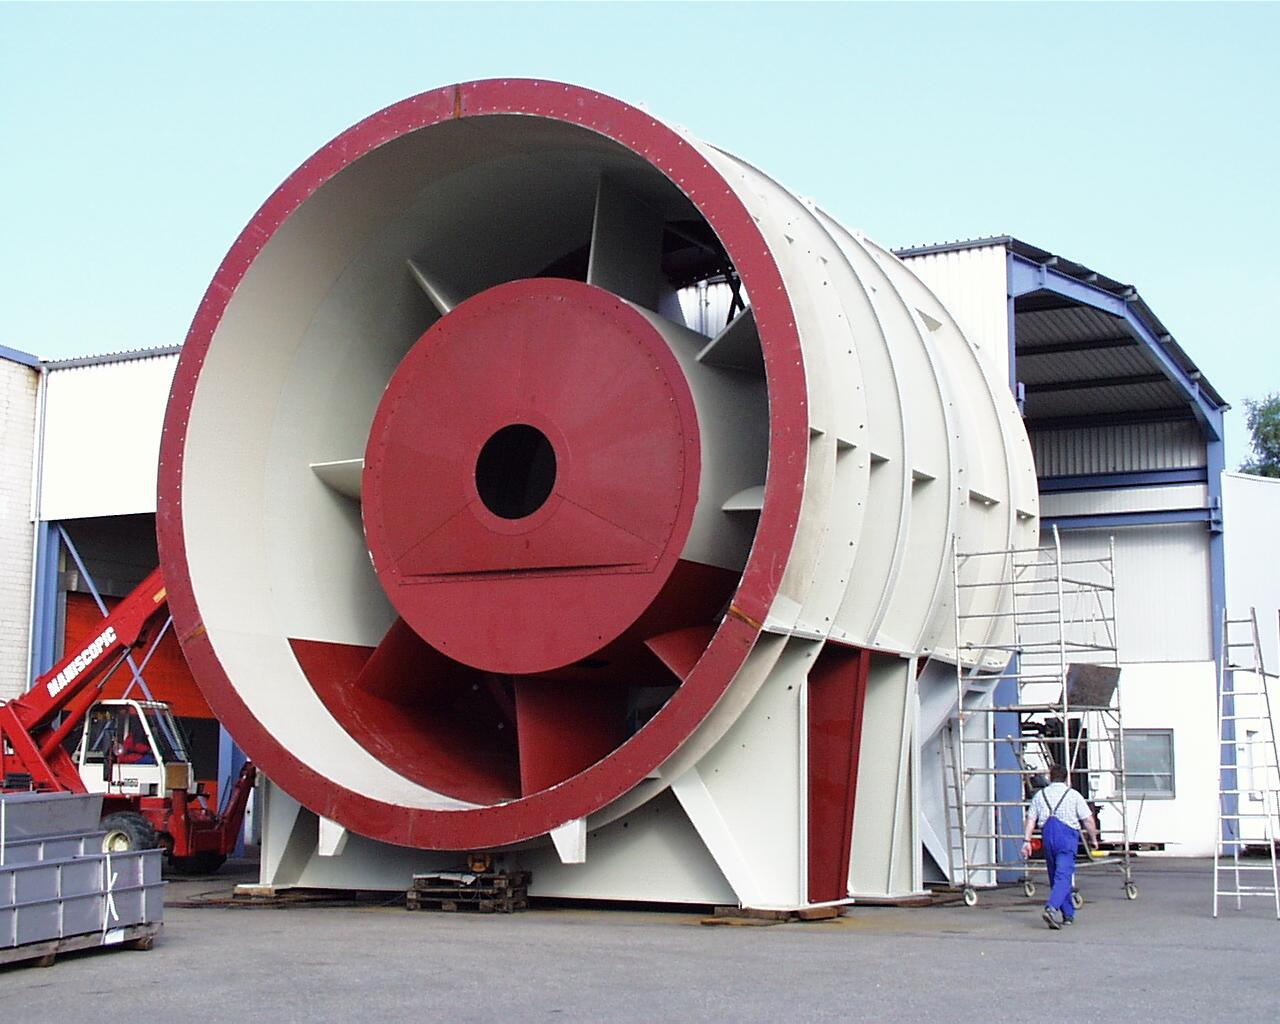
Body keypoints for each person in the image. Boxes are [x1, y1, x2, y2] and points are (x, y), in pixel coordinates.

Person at [1020, 763, 1099, 929]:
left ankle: (1068, 913)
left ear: (1050, 777)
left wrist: (1026, 841)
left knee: (1055, 875)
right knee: (1063, 876)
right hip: (1067, 837)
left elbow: (1031, 819)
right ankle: (1051, 908)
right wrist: (1093, 839)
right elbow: (1088, 820)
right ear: (1066, 778)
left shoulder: (1040, 795)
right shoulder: (1073, 795)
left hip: (1048, 836)